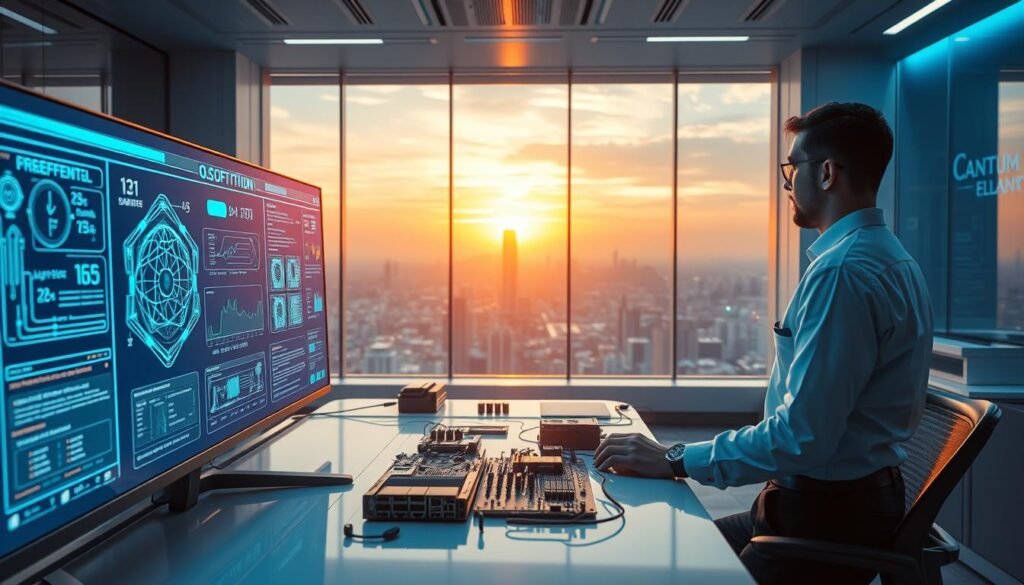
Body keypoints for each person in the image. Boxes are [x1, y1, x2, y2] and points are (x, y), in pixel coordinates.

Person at [594, 102, 934, 585]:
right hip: (837, 505)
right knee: (672, 553)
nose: (786, 182)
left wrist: (675, 460)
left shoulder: (842, 273)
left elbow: (801, 437)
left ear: (828, 173)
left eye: (792, 167)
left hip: (824, 522)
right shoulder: (893, 260)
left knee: (660, 567)